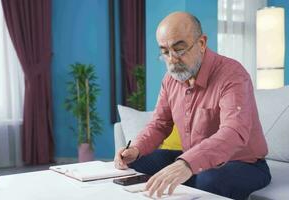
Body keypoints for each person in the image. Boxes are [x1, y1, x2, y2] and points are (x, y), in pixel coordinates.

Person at [114, 12, 271, 200]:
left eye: (179, 49)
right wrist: (135, 149)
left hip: (243, 163)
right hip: (193, 158)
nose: (172, 59)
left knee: (208, 181)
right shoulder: (170, 80)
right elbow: (159, 124)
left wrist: (187, 164)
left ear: (202, 43)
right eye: (165, 51)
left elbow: (233, 131)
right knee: (138, 163)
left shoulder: (233, 74)